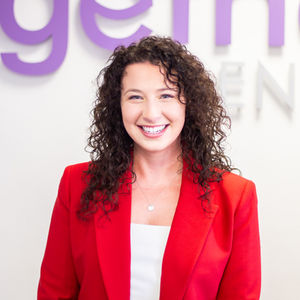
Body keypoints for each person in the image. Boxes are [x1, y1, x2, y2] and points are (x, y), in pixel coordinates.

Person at [38, 36, 261, 300]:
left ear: (188, 103)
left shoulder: (235, 196)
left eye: (166, 95)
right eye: (135, 97)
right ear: (116, 106)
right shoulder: (77, 184)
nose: (151, 113)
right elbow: (55, 293)